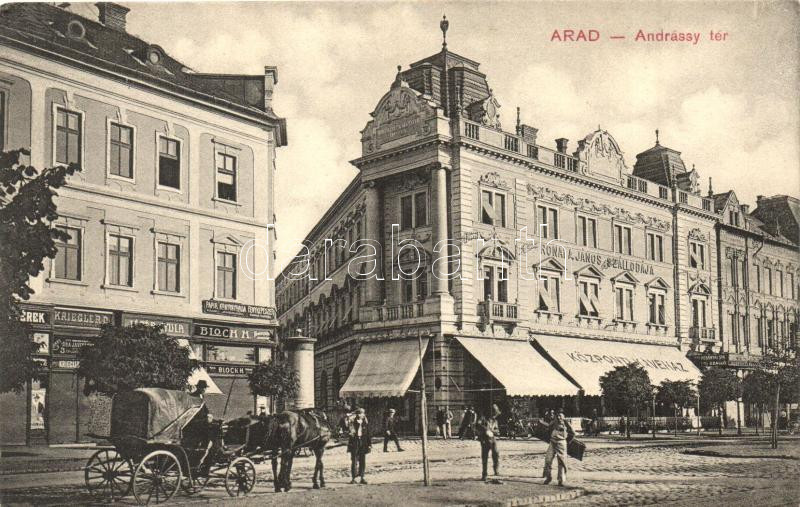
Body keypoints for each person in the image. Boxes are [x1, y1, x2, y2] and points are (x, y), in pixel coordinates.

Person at [543, 409, 575, 486]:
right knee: (548, 459)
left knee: (561, 462)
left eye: (560, 416)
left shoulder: (566, 423)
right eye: (557, 416)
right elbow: (548, 428)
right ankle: (548, 477)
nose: (558, 417)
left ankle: (561, 480)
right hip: (552, 442)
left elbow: (573, 433)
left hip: (561, 443)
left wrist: (567, 441)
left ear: (564, 416)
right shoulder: (554, 422)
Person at [347, 408, 371, 484]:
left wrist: (369, 444)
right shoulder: (352, 423)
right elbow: (351, 434)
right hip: (355, 443)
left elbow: (368, 434)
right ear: (356, 414)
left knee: (362, 460)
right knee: (354, 461)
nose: (360, 415)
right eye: (359, 413)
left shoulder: (365, 423)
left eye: (362, 413)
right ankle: (353, 478)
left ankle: (362, 477)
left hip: (363, 443)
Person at [475, 414, 500, 481]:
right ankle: (484, 474)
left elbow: (497, 430)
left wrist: (492, 431)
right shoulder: (483, 418)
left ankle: (496, 469)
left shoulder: (495, 421)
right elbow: (477, 425)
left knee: (496, 454)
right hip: (484, 439)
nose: (495, 415)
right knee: (485, 457)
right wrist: (486, 430)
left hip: (492, 439)